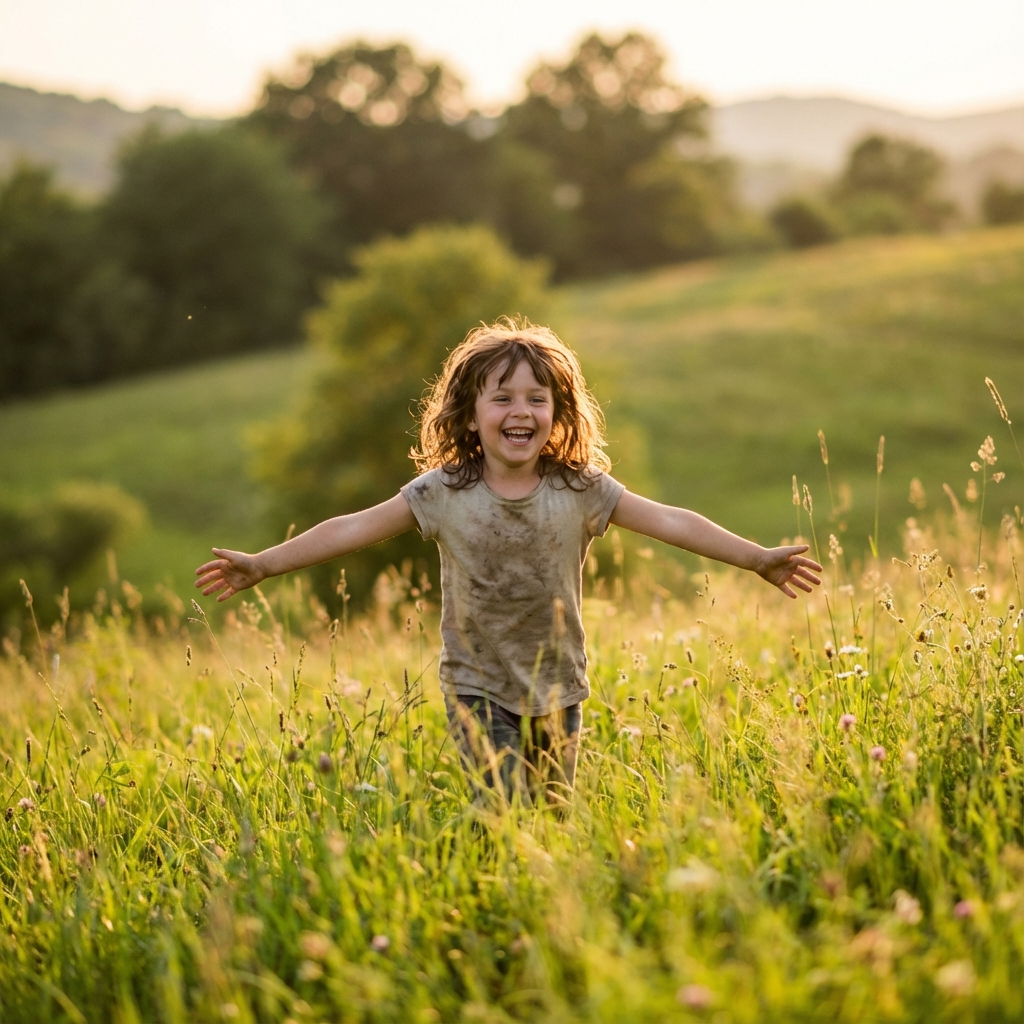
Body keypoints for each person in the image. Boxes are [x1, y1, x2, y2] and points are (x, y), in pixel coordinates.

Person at [195, 321, 821, 810]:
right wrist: (264, 563)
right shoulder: (442, 493)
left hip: (558, 686)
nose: (520, 411)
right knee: (499, 809)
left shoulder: (580, 490)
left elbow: (672, 520)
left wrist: (755, 557)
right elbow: (353, 527)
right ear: (471, 415)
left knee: (551, 814)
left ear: (558, 414)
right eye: (502, 398)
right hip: (478, 686)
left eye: (536, 398)